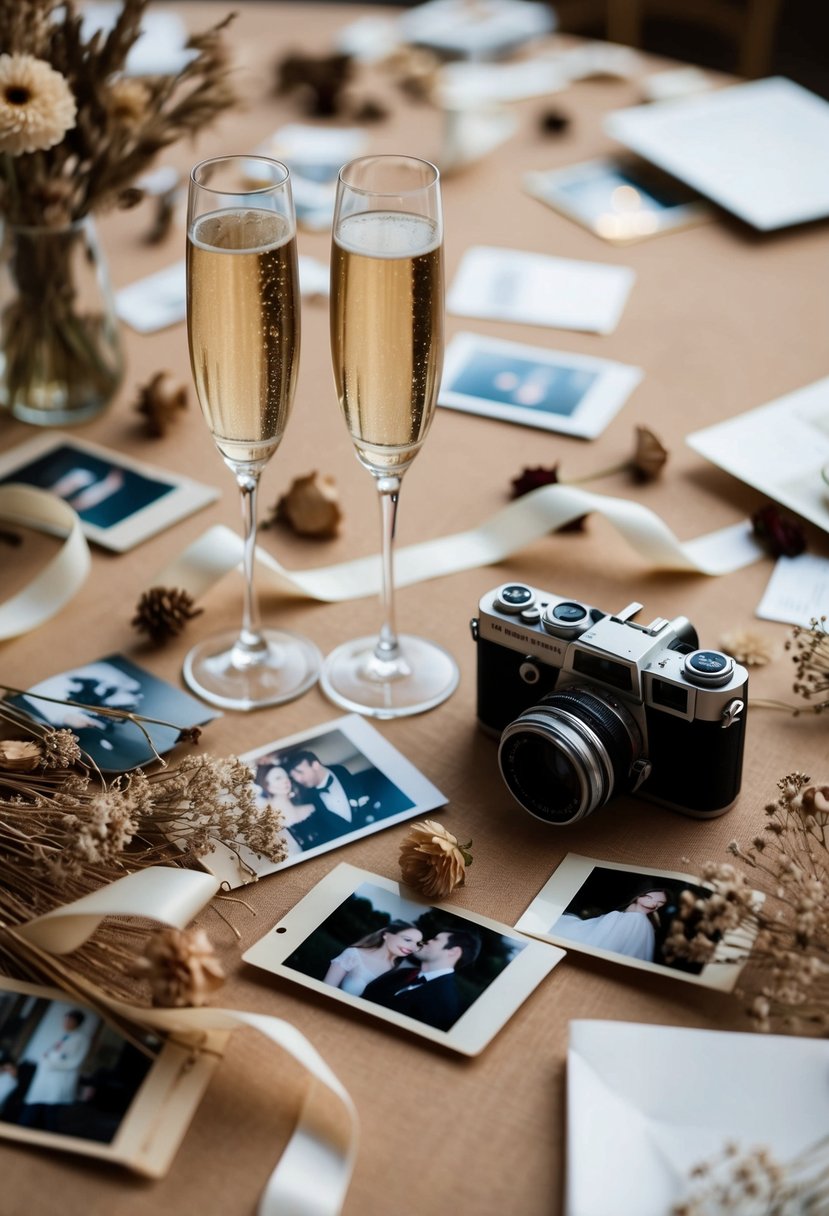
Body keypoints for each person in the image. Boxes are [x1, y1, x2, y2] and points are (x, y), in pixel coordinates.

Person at [361, 929, 482, 1032]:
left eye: (435, 939)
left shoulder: (446, 1004)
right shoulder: (402, 973)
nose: (426, 941)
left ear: (453, 951)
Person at [553, 887, 671, 961]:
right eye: (650, 898)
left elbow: (605, 947)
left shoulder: (637, 920)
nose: (654, 904)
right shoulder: (625, 916)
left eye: (660, 903)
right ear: (640, 895)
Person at [18, 1010, 90, 1132]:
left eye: (70, 1020)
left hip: (58, 1081)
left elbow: (74, 1062)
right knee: (35, 1109)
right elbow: (54, 1053)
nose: (66, 1023)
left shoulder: (81, 1039)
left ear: (77, 1023)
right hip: (46, 1080)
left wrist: (50, 1062)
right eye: (65, 1019)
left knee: (50, 1113)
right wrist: (46, 1058)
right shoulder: (64, 1036)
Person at [283, 749, 371, 847]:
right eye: (294, 777)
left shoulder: (340, 770)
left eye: (300, 772)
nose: (298, 779)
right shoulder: (306, 798)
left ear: (315, 765)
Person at [323, 921, 423, 998]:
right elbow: (325, 991)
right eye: (407, 940)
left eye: (417, 944)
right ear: (386, 935)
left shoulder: (399, 971)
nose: (413, 947)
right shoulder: (353, 954)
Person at [254, 762, 315, 855]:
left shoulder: (310, 809)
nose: (286, 780)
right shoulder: (270, 825)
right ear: (267, 786)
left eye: (286, 776)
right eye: (278, 778)